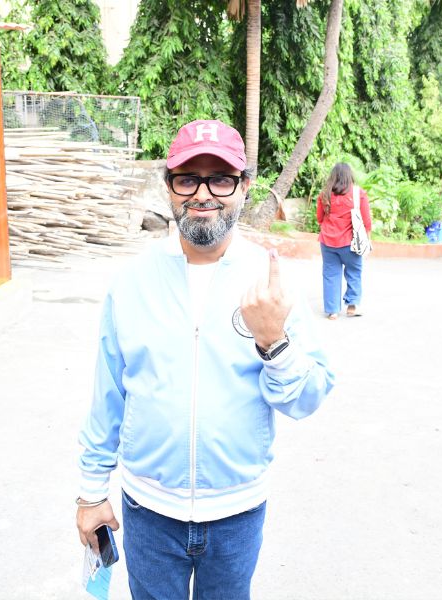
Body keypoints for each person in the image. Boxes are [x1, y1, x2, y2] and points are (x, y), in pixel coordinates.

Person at [76, 119, 335, 599]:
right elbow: (108, 394)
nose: (202, 194)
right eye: (188, 179)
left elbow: (308, 397)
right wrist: (91, 493)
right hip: (148, 512)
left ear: (244, 187)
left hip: (237, 515)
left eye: (220, 179)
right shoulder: (131, 282)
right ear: (169, 187)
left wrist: (274, 343)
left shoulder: (269, 283)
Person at [316, 162, 372, 320]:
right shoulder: (358, 193)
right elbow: (366, 221)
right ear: (349, 176)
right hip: (351, 243)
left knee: (330, 274)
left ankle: (333, 311)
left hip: (328, 242)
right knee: (354, 271)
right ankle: (352, 306)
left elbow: (319, 218)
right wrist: (368, 239)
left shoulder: (324, 194)